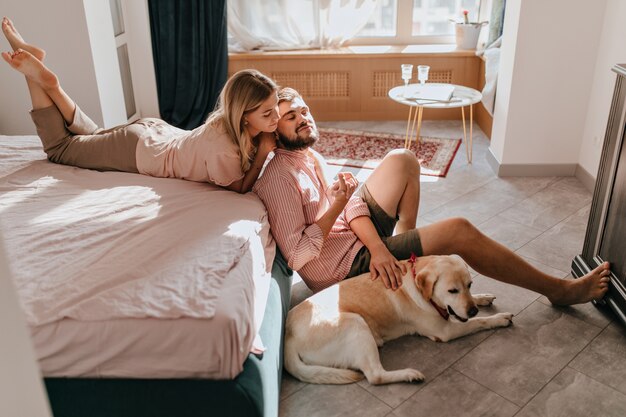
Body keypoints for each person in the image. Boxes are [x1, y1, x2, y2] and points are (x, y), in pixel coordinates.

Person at [253, 87, 611, 305]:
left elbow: (350, 208)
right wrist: (347, 214)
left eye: (304, 110)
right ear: (273, 127)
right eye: (290, 117)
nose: (303, 118)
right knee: (459, 229)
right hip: (341, 268)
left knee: (402, 159)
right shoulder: (277, 178)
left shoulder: (308, 156)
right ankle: (559, 291)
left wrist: (377, 243)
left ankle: (411, 261)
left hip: (360, 244)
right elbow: (299, 256)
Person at [1, 17, 279, 193]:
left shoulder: (224, 121)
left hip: (152, 134)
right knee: (60, 149)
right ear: (243, 116)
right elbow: (239, 188)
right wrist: (264, 152)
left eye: (277, 107)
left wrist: (265, 129)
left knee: (93, 136)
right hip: (139, 152)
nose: (276, 116)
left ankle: (38, 67)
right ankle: (43, 80)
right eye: (267, 113)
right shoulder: (226, 151)